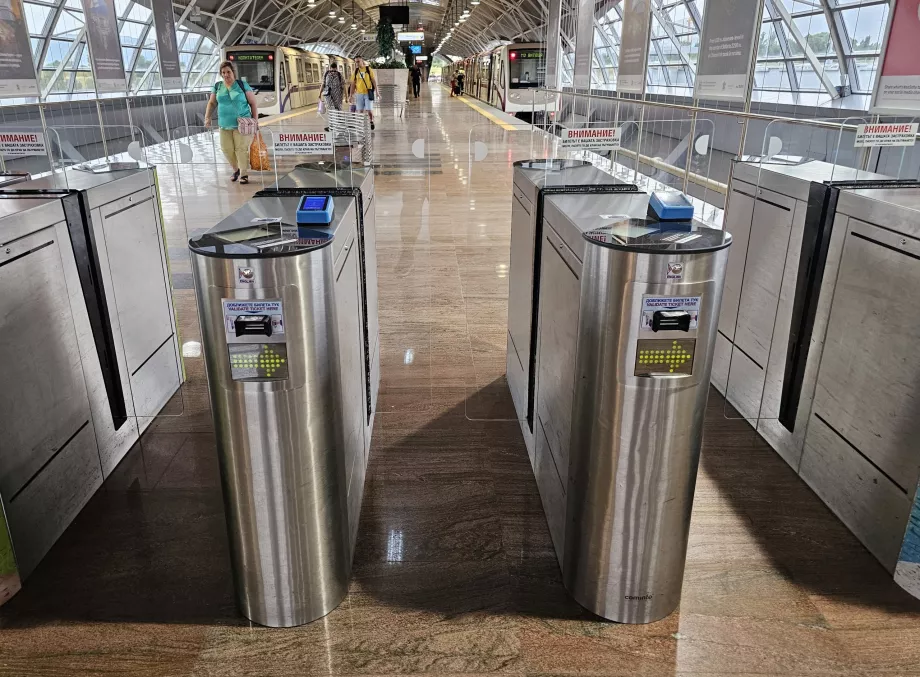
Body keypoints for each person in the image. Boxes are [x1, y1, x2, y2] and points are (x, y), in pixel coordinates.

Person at [205, 61, 259, 184]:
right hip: (224, 124)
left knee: (241, 149)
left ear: (233, 72)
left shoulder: (242, 85)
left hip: (242, 124)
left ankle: (244, 174)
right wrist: (207, 117)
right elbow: (212, 103)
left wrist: (255, 121)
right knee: (226, 149)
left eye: (228, 72)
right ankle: (236, 169)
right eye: (223, 72)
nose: (226, 75)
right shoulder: (218, 86)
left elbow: (253, 103)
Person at [350, 56, 376, 131]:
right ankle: (361, 125)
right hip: (359, 94)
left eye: (358, 61)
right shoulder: (355, 72)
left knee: (369, 110)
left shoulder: (368, 69)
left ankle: (371, 121)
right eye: (355, 62)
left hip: (368, 93)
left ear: (362, 61)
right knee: (360, 111)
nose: (357, 63)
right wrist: (350, 95)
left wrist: (377, 91)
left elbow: (373, 80)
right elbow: (353, 84)